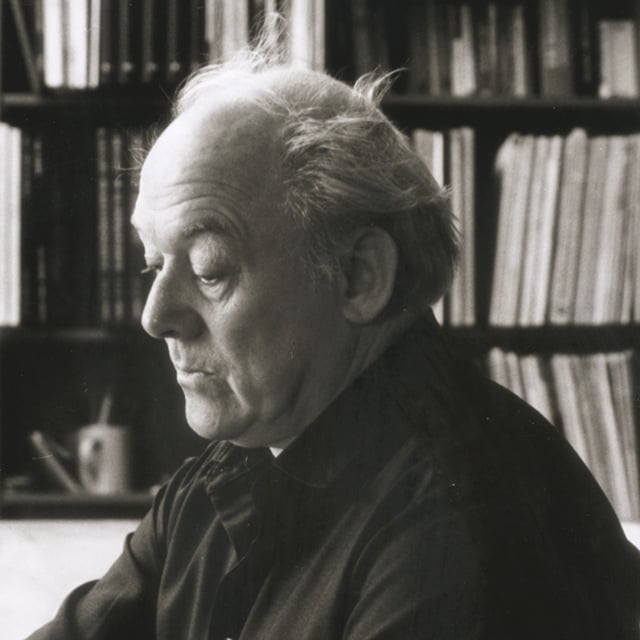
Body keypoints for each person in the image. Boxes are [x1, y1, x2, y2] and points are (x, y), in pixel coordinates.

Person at [30, 48, 640, 640]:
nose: (155, 316)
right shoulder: (224, 476)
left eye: (209, 269)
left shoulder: (461, 528)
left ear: (358, 276)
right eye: (153, 264)